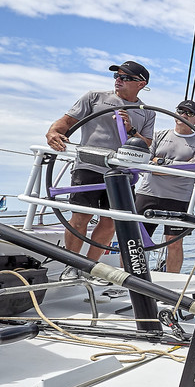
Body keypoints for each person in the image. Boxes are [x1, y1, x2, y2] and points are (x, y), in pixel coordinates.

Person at [45, 61, 155, 264]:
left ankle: (90, 267)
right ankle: (73, 265)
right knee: (80, 219)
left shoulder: (147, 112)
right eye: (117, 76)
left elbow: (146, 145)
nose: (119, 80)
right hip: (89, 167)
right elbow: (66, 122)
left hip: (122, 175)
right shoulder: (94, 97)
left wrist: (130, 129)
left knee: (111, 223)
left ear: (141, 83)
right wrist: (53, 132)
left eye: (126, 78)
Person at [133, 100, 195, 274]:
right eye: (180, 111)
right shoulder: (159, 135)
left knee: (174, 242)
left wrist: (159, 165)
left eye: (189, 113)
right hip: (148, 193)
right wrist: (174, 166)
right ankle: (130, 277)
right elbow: (146, 161)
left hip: (178, 198)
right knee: (135, 239)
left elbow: (191, 169)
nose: (183, 115)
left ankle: (171, 282)